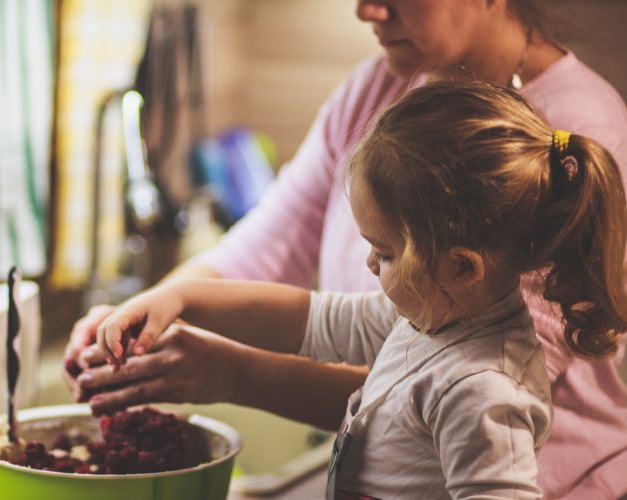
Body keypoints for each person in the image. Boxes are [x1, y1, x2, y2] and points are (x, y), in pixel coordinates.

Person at [64, 1, 627, 497]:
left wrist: (233, 373)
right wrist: (169, 301)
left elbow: (432, 404)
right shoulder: (428, 311)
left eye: (382, 252)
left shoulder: (482, 386)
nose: (366, 10)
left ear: (460, 266)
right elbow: (302, 294)